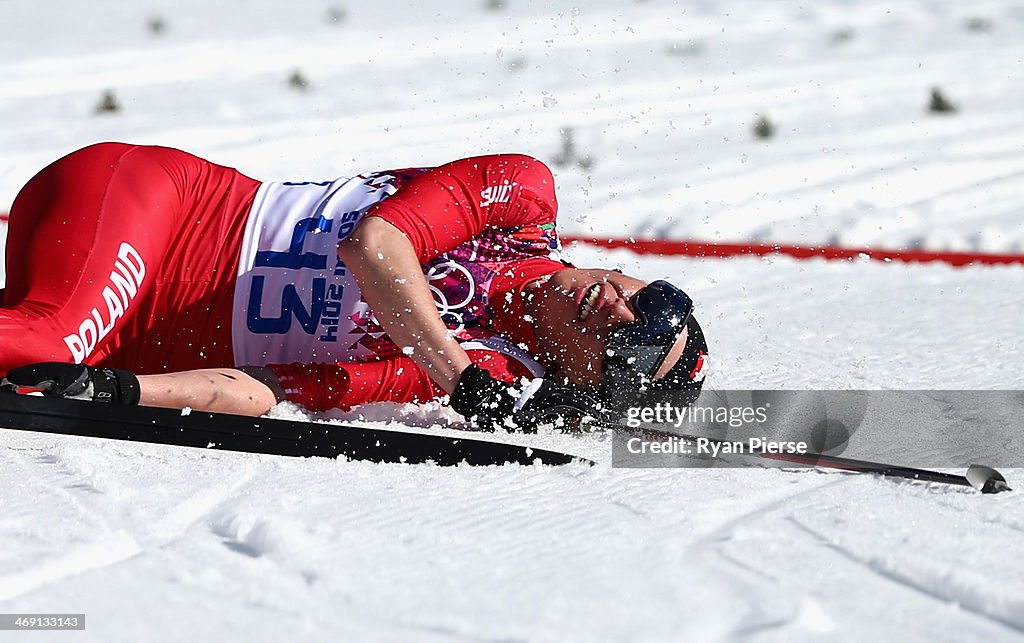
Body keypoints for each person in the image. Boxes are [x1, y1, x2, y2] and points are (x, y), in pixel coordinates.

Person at [0, 142, 709, 430]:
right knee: (43, 336)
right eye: (655, 301)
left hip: (130, 331)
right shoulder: (524, 198)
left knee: (48, 357)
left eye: (629, 344)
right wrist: (454, 372)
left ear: (585, 380)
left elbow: (278, 386)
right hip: (155, 206)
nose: (619, 309)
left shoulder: (490, 367)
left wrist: (124, 391)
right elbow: (375, 244)